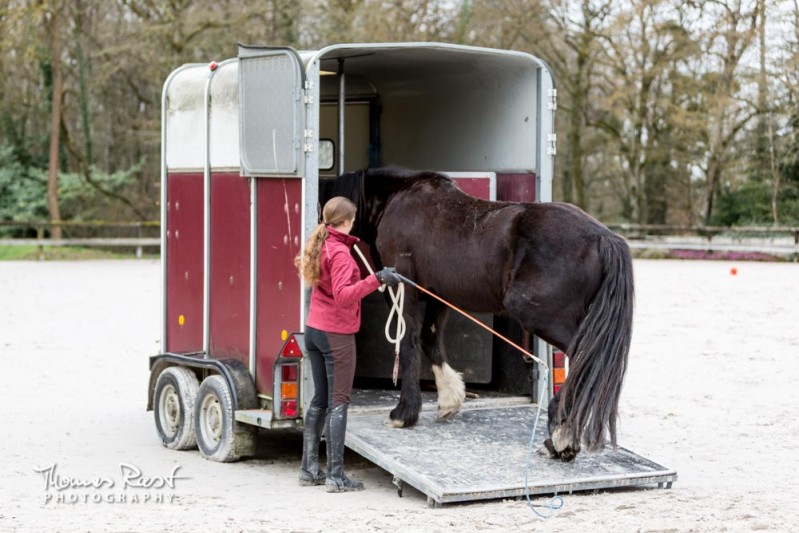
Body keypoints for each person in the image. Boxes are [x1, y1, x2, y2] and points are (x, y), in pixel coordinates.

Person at [294, 196, 401, 492]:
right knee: (339, 402)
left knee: (320, 400)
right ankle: (336, 476)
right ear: (346, 221)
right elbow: (343, 294)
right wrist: (377, 279)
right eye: (352, 219)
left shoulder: (323, 242)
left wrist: (373, 278)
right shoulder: (340, 252)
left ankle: (309, 470)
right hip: (335, 333)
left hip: (315, 328)